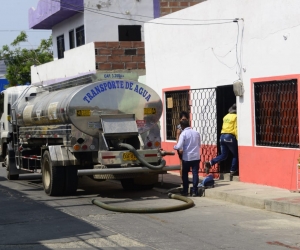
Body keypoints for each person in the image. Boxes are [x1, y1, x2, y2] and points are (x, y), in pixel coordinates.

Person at [205, 104, 238, 176]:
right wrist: (238, 138)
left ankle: (210, 163)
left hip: (222, 136)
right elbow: (235, 128)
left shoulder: (225, 116)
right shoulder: (236, 116)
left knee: (223, 155)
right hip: (230, 136)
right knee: (236, 154)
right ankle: (233, 170)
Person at [174, 119, 201, 196]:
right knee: (195, 173)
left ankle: (185, 190)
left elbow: (179, 146)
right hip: (196, 157)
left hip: (187, 157)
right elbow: (199, 145)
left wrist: (174, 147)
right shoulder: (196, 133)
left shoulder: (183, 134)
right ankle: (194, 191)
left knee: (185, 173)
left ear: (182, 126)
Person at [176, 111, 189, 177]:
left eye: (185, 119)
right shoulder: (179, 127)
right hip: (181, 147)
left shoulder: (187, 126)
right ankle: (183, 179)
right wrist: (180, 148)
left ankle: (185, 178)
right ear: (180, 119)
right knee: (182, 163)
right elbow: (177, 137)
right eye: (183, 119)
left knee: (186, 163)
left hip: (186, 147)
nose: (184, 120)